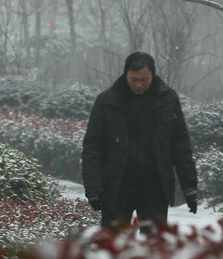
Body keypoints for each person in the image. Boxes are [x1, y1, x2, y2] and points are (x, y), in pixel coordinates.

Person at [81, 51, 198, 228]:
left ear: (152, 74)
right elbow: (93, 147)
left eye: (144, 79)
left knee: (154, 248)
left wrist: (189, 187)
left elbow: (180, 145)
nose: (139, 84)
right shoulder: (107, 101)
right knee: (114, 247)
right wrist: (93, 188)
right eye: (133, 79)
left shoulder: (167, 100)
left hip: (155, 187)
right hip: (117, 187)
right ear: (125, 74)